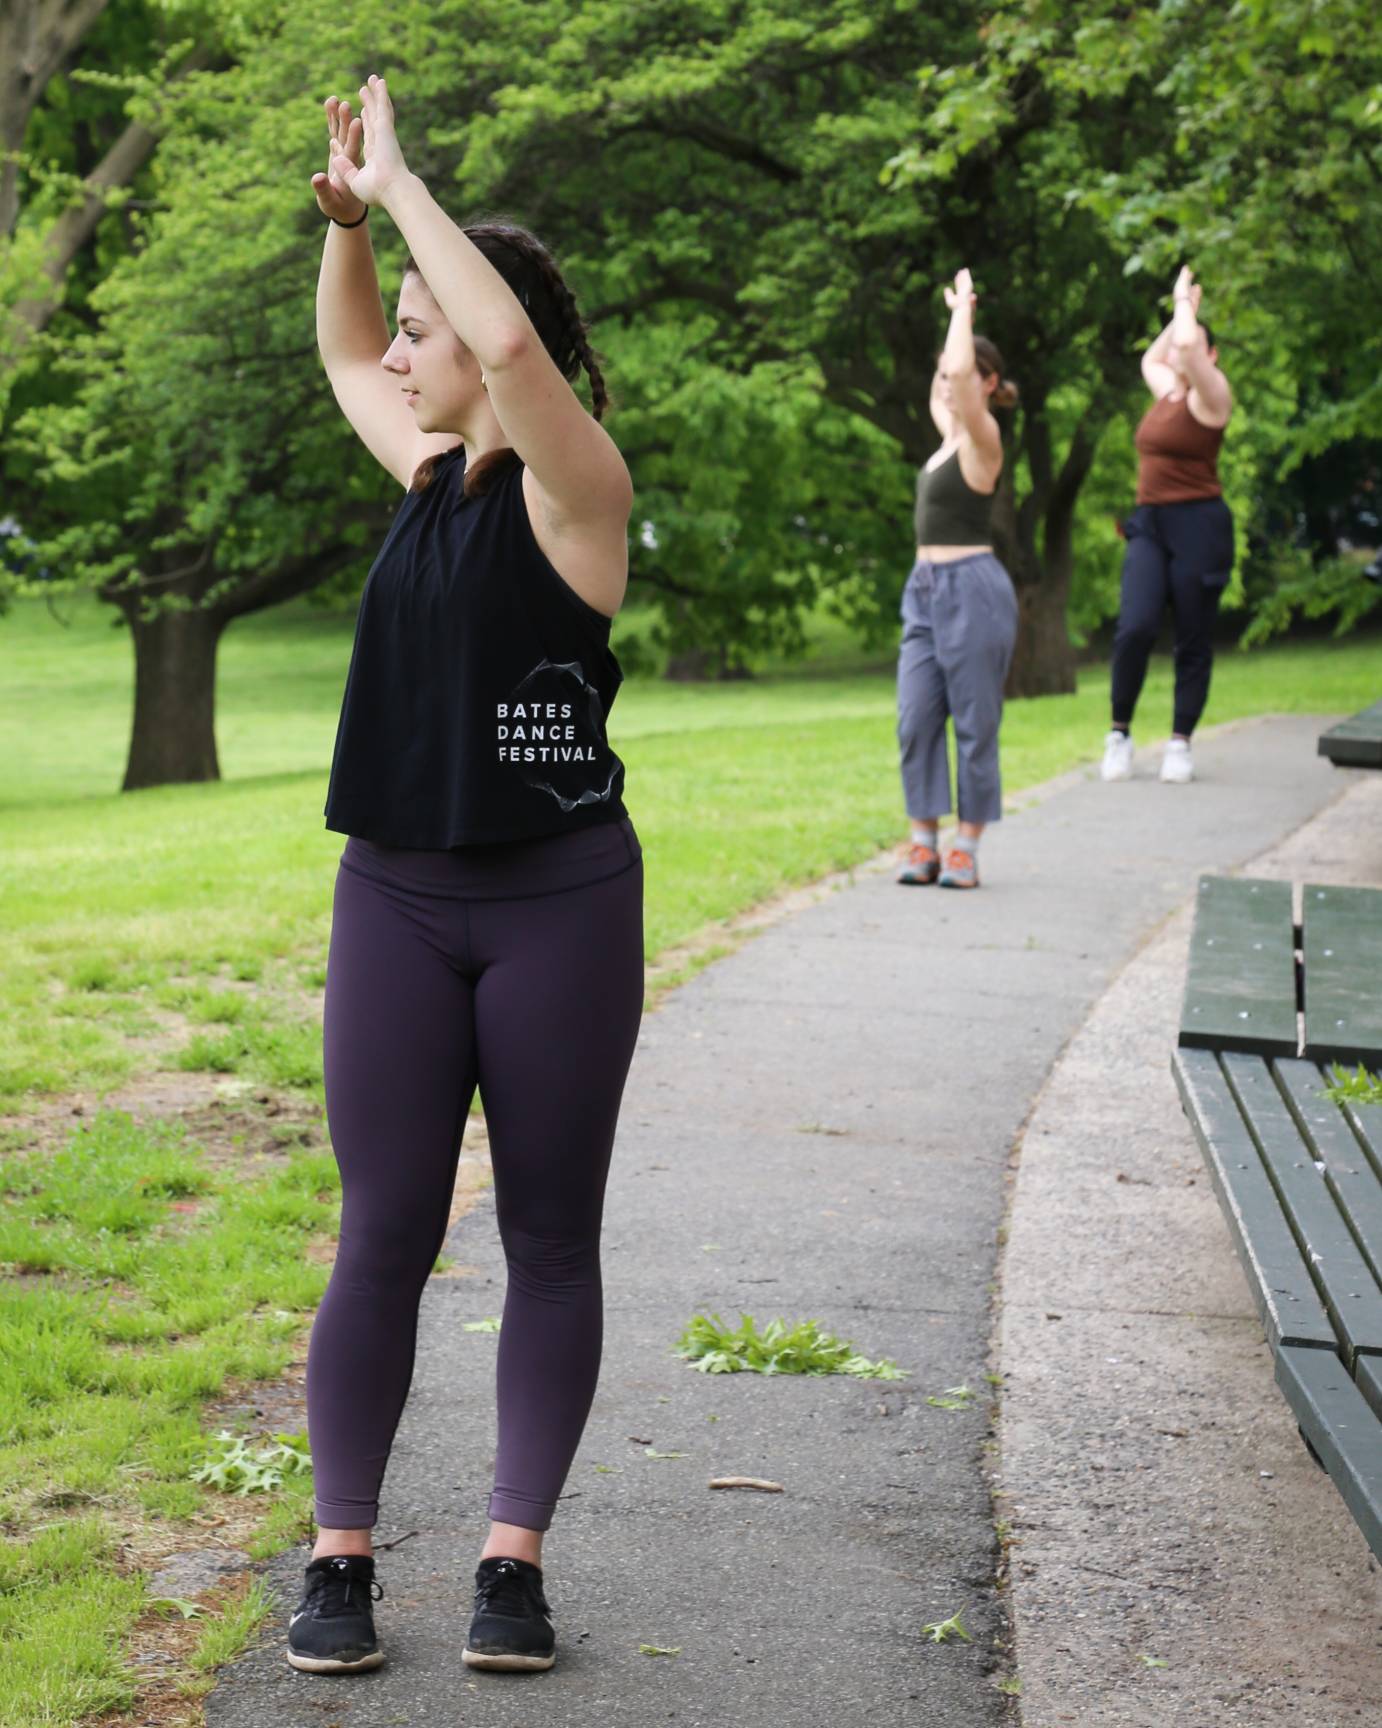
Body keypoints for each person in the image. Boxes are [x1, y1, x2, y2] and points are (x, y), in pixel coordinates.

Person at [289, 75, 644, 1679]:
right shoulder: (423, 483)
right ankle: (340, 1559)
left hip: (558, 902)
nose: (403, 352)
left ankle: (511, 1564)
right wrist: (357, 227)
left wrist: (412, 181)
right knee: (382, 1232)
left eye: (424, 325)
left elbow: (502, 349)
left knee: (549, 1239)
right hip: (399, 902)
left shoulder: (579, 497)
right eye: (408, 327)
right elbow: (341, 349)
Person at [895, 268, 1020, 890]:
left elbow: (962, 380)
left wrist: (963, 312)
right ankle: (924, 842)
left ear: (986, 383)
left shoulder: (982, 439)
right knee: (915, 718)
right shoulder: (946, 438)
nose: (946, 387)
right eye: (940, 378)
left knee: (975, 723)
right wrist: (951, 359)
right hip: (923, 590)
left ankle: (966, 845)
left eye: (959, 379)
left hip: (973, 588)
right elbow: (948, 383)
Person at [1100, 267, 1234, 784]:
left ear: (1210, 356)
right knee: (1134, 626)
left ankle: (1180, 741)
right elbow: (1155, 357)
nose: (1181, 350)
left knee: (1193, 637)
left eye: (1193, 345)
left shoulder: (1211, 399)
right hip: (1151, 524)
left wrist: (1183, 302)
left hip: (1199, 525)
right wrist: (1186, 317)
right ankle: (1120, 732)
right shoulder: (1167, 394)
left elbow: (1186, 349)